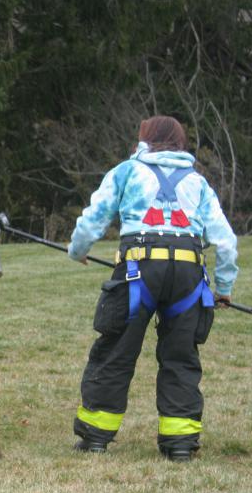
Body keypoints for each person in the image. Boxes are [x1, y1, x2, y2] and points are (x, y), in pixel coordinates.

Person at [67, 115, 238, 461]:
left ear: (144, 140)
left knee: (116, 350)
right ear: (180, 144)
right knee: (181, 355)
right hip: (189, 273)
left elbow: (94, 217)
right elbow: (227, 242)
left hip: (137, 271)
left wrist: (78, 250)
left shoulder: (126, 172)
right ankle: (180, 445)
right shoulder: (198, 182)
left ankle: (96, 436)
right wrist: (224, 287)